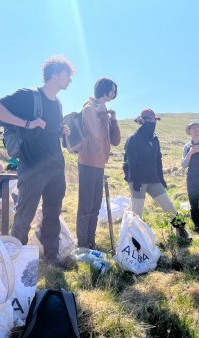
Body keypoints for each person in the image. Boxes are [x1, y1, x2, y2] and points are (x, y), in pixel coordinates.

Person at [0, 55, 75, 265]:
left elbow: (47, 130)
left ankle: (51, 261)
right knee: (24, 217)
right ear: (54, 75)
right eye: (67, 75)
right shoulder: (29, 95)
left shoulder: (59, 104)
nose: (70, 80)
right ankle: (14, 263)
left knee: (52, 216)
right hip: (33, 167)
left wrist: (60, 130)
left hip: (56, 167)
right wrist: (26, 123)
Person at [124, 109, 191, 244]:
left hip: (153, 179)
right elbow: (130, 161)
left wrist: (161, 179)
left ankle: (181, 232)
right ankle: (134, 240)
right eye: (150, 120)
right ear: (142, 121)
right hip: (138, 180)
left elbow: (158, 160)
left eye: (154, 120)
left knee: (168, 206)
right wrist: (134, 179)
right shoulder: (134, 139)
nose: (153, 122)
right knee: (137, 212)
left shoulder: (155, 140)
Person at [76, 77, 121, 249]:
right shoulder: (89, 108)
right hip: (87, 161)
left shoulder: (104, 111)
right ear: (104, 89)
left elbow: (115, 140)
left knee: (95, 204)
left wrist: (114, 119)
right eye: (113, 89)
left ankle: (90, 241)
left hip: (100, 163)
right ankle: (82, 244)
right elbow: (97, 133)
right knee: (86, 204)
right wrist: (103, 115)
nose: (114, 93)